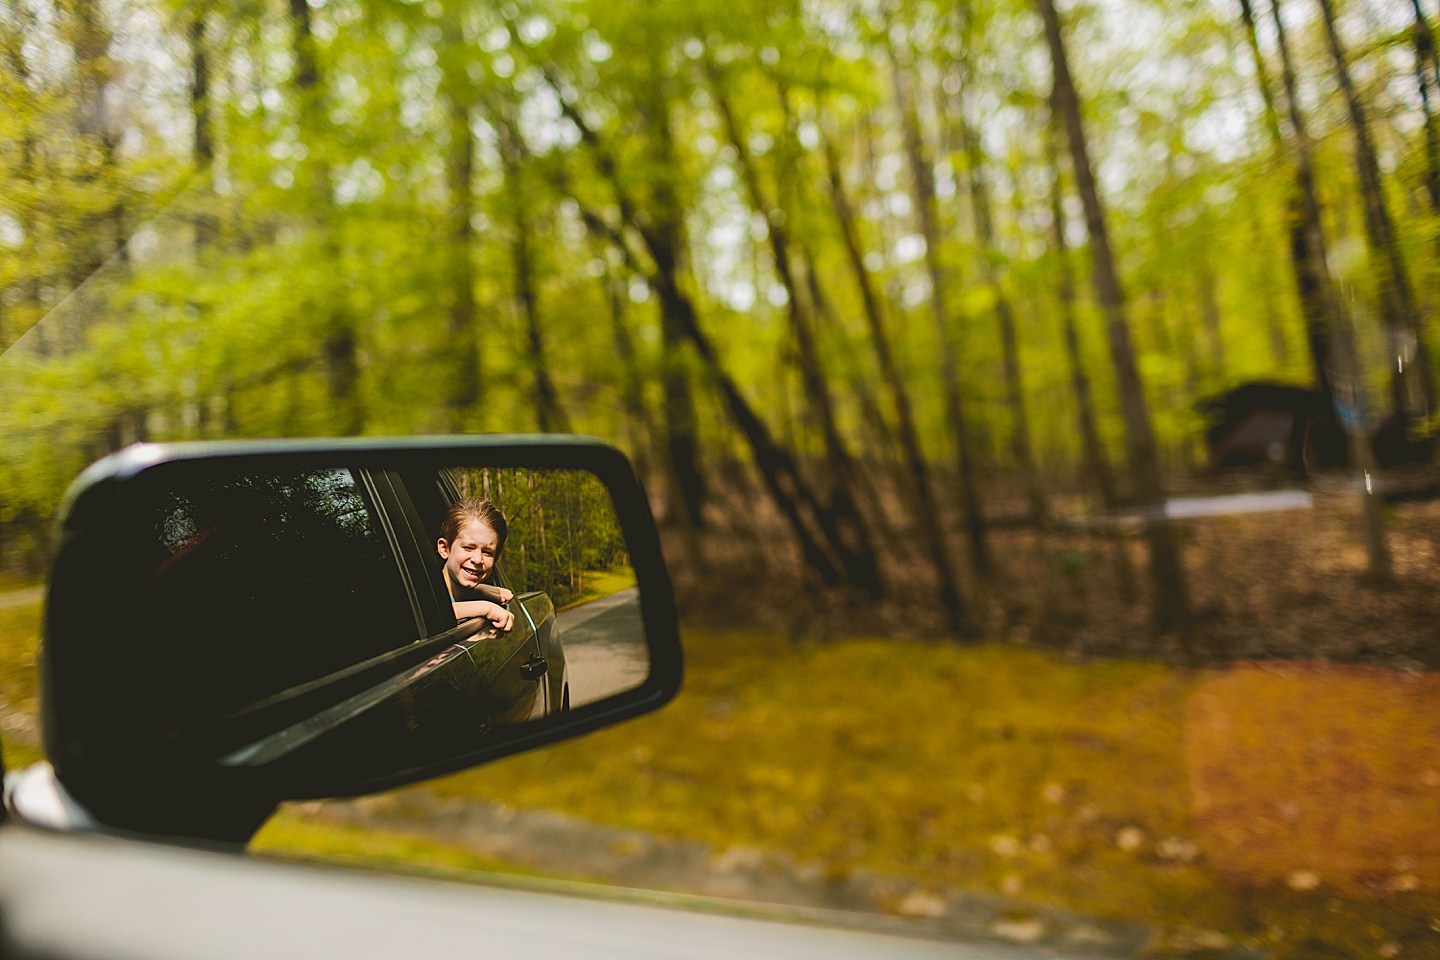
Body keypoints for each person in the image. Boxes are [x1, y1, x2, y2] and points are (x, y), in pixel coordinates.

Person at [436, 497, 515, 632]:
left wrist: (480, 589)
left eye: (487, 552)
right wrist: (486, 608)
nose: (478, 559)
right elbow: (433, 613)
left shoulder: (469, 594)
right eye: (468, 547)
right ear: (444, 548)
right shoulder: (422, 594)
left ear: (496, 558)